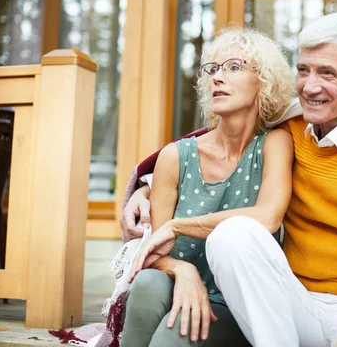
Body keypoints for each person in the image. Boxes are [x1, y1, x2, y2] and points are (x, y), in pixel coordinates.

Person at [123, 13, 337, 347]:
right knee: (233, 234)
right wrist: (146, 187)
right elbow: (219, 144)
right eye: (303, 70)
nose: (309, 86)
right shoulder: (290, 130)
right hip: (297, 302)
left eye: (327, 73)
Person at [120, 27, 295, 346]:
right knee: (146, 284)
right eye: (212, 69)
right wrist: (183, 272)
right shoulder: (176, 155)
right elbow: (156, 249)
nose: (218, 77)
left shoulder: (275, 144)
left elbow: (268, 217)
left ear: (264, 80)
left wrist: (178, 226)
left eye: (234, 67)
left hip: (236, 300)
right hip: (177, 283)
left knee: (170, 337)